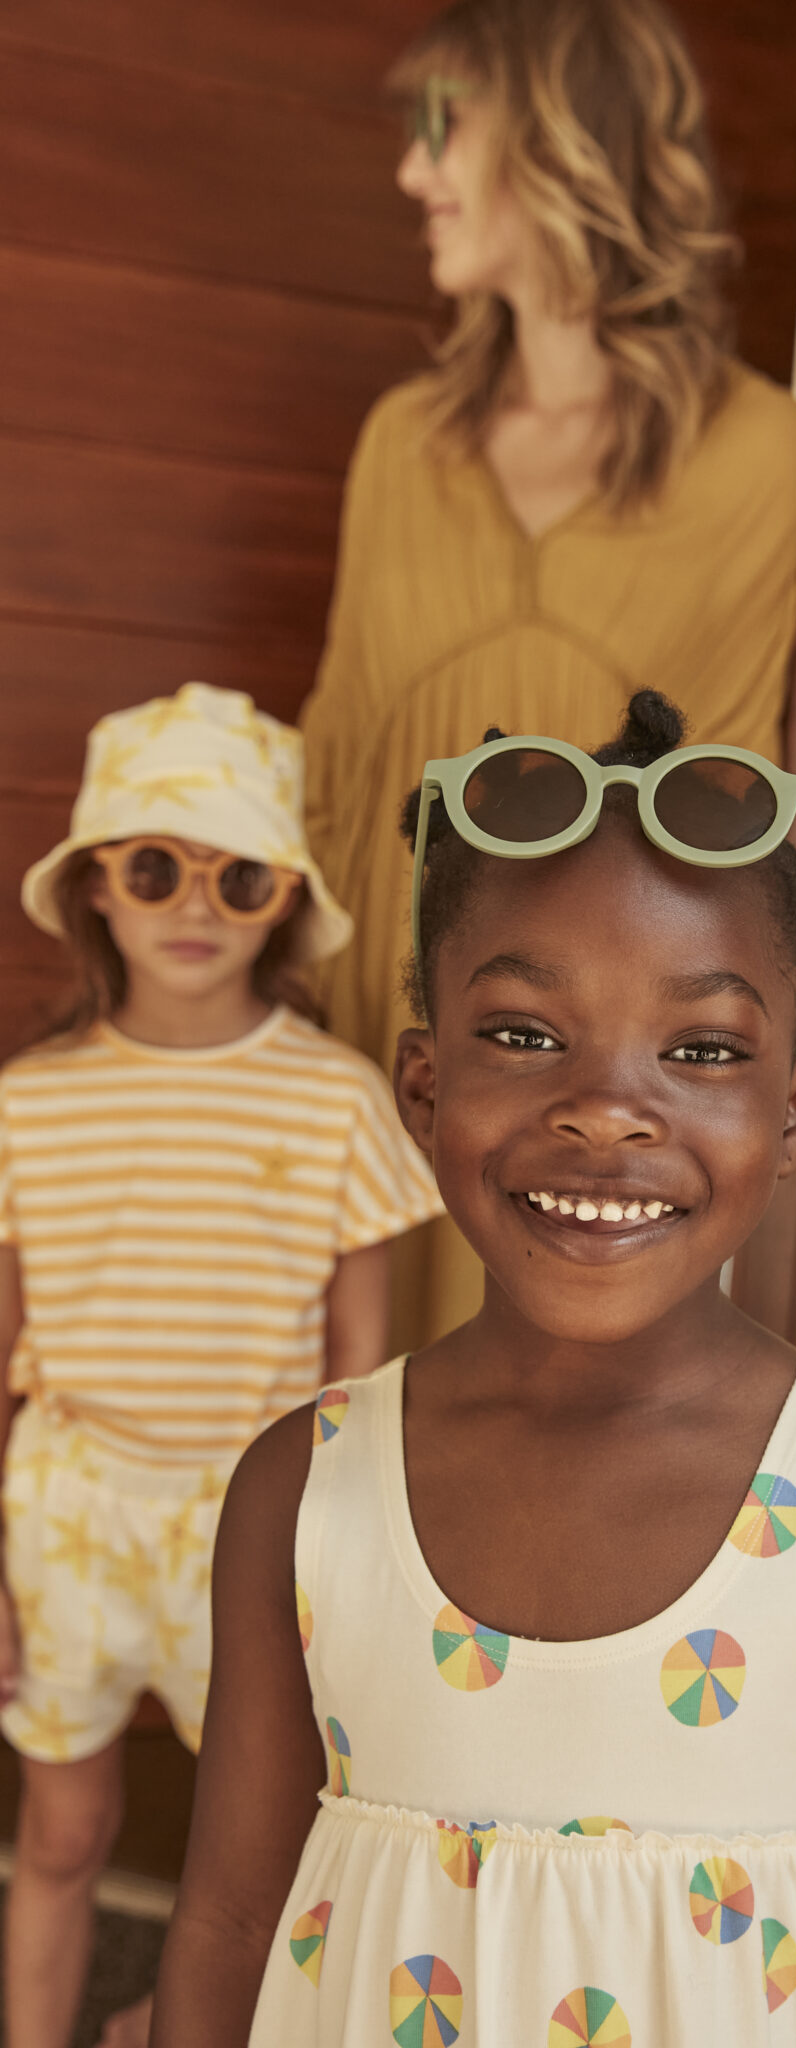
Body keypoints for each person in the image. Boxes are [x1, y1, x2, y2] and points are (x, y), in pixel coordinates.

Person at [152, 693, 796, 2048]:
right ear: (424, 1085)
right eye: (523, 1033)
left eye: (701, 1050)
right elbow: (224, 1926)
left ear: (794, 1113)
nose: (608, 1109)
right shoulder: (307, 1488)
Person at [301, 0, 796, 1350]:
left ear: (558, 137)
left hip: (586, 1064)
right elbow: (333, 763)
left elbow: (728, 814)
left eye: (442, 126)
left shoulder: (752, 448)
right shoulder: (402, 441)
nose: (412, 170)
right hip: (369, 1040)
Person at [0, 683, 442, 2048]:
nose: (193, 904)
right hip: (63, 1512)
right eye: (155, 867)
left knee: (258, 1860)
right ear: (96, 888)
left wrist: (340, 1563)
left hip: (250, 1520)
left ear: (283, 899)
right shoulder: (28, 1101)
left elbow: (359, 1367)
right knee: (59, 1831)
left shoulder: (336, 1097)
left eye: (238, 875)